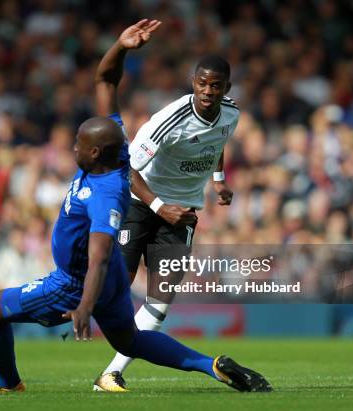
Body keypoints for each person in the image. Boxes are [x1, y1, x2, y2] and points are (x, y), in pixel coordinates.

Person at [0, 20, 271, 394]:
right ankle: (211, 366)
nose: (73, 148)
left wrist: (85, 305)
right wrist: (120, 46)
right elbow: (105, 82)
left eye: (78, 144)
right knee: (131, 341)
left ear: (92, 152)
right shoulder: (116, 151)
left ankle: (9, 383)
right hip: (113, 287)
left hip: (74, 283)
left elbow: (101, 254)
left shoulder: (106, 191)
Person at [94, 19, 241, 392]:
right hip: (140, 204)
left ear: (227, 88)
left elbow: (216, 141)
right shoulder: (167, 121)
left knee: (161, 297)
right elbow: (126, 169)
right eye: (201, 83)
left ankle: (111, 373)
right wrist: (159, 206)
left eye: (216, 85)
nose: (208, 91)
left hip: (183, 211)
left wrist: (218, 180)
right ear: (193, 82)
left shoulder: (231, 113)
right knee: (117, 289)